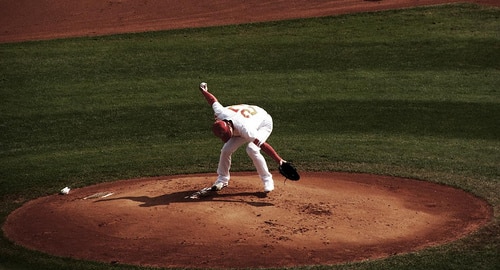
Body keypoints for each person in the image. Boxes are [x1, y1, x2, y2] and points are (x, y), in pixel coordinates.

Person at [198, 82, 286, 193]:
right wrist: (204, 91)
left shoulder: (245, 129)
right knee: (226, 150)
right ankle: (222, 179)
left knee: (252, 149)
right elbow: (213, 101)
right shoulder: (220, 113)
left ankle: (267, 179)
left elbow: (263, 145)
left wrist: (280, 161)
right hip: (244, 120)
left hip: (262, 122)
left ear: (229, 127)